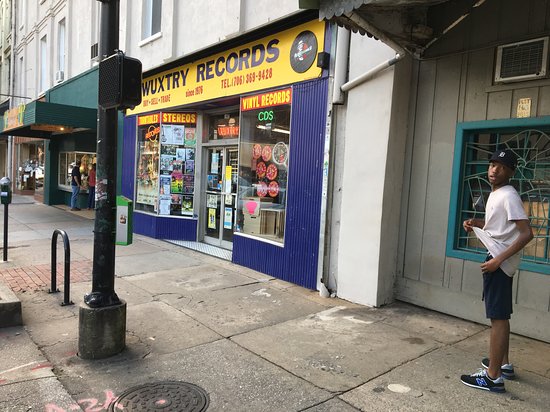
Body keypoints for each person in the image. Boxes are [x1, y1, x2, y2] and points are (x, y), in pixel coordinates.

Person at [460, 149, 533, 393]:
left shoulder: (509, 195)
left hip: (499, 262)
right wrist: (476, 223)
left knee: (498, 318)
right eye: (492, 164)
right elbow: (498, 227)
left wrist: (497, 261)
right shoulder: (497, 194)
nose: (494, 169)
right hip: (498, 258)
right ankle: (503, 365)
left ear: (511, 172)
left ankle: (493, 377)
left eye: (502, 166)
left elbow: (526, 233)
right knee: (501, 315)